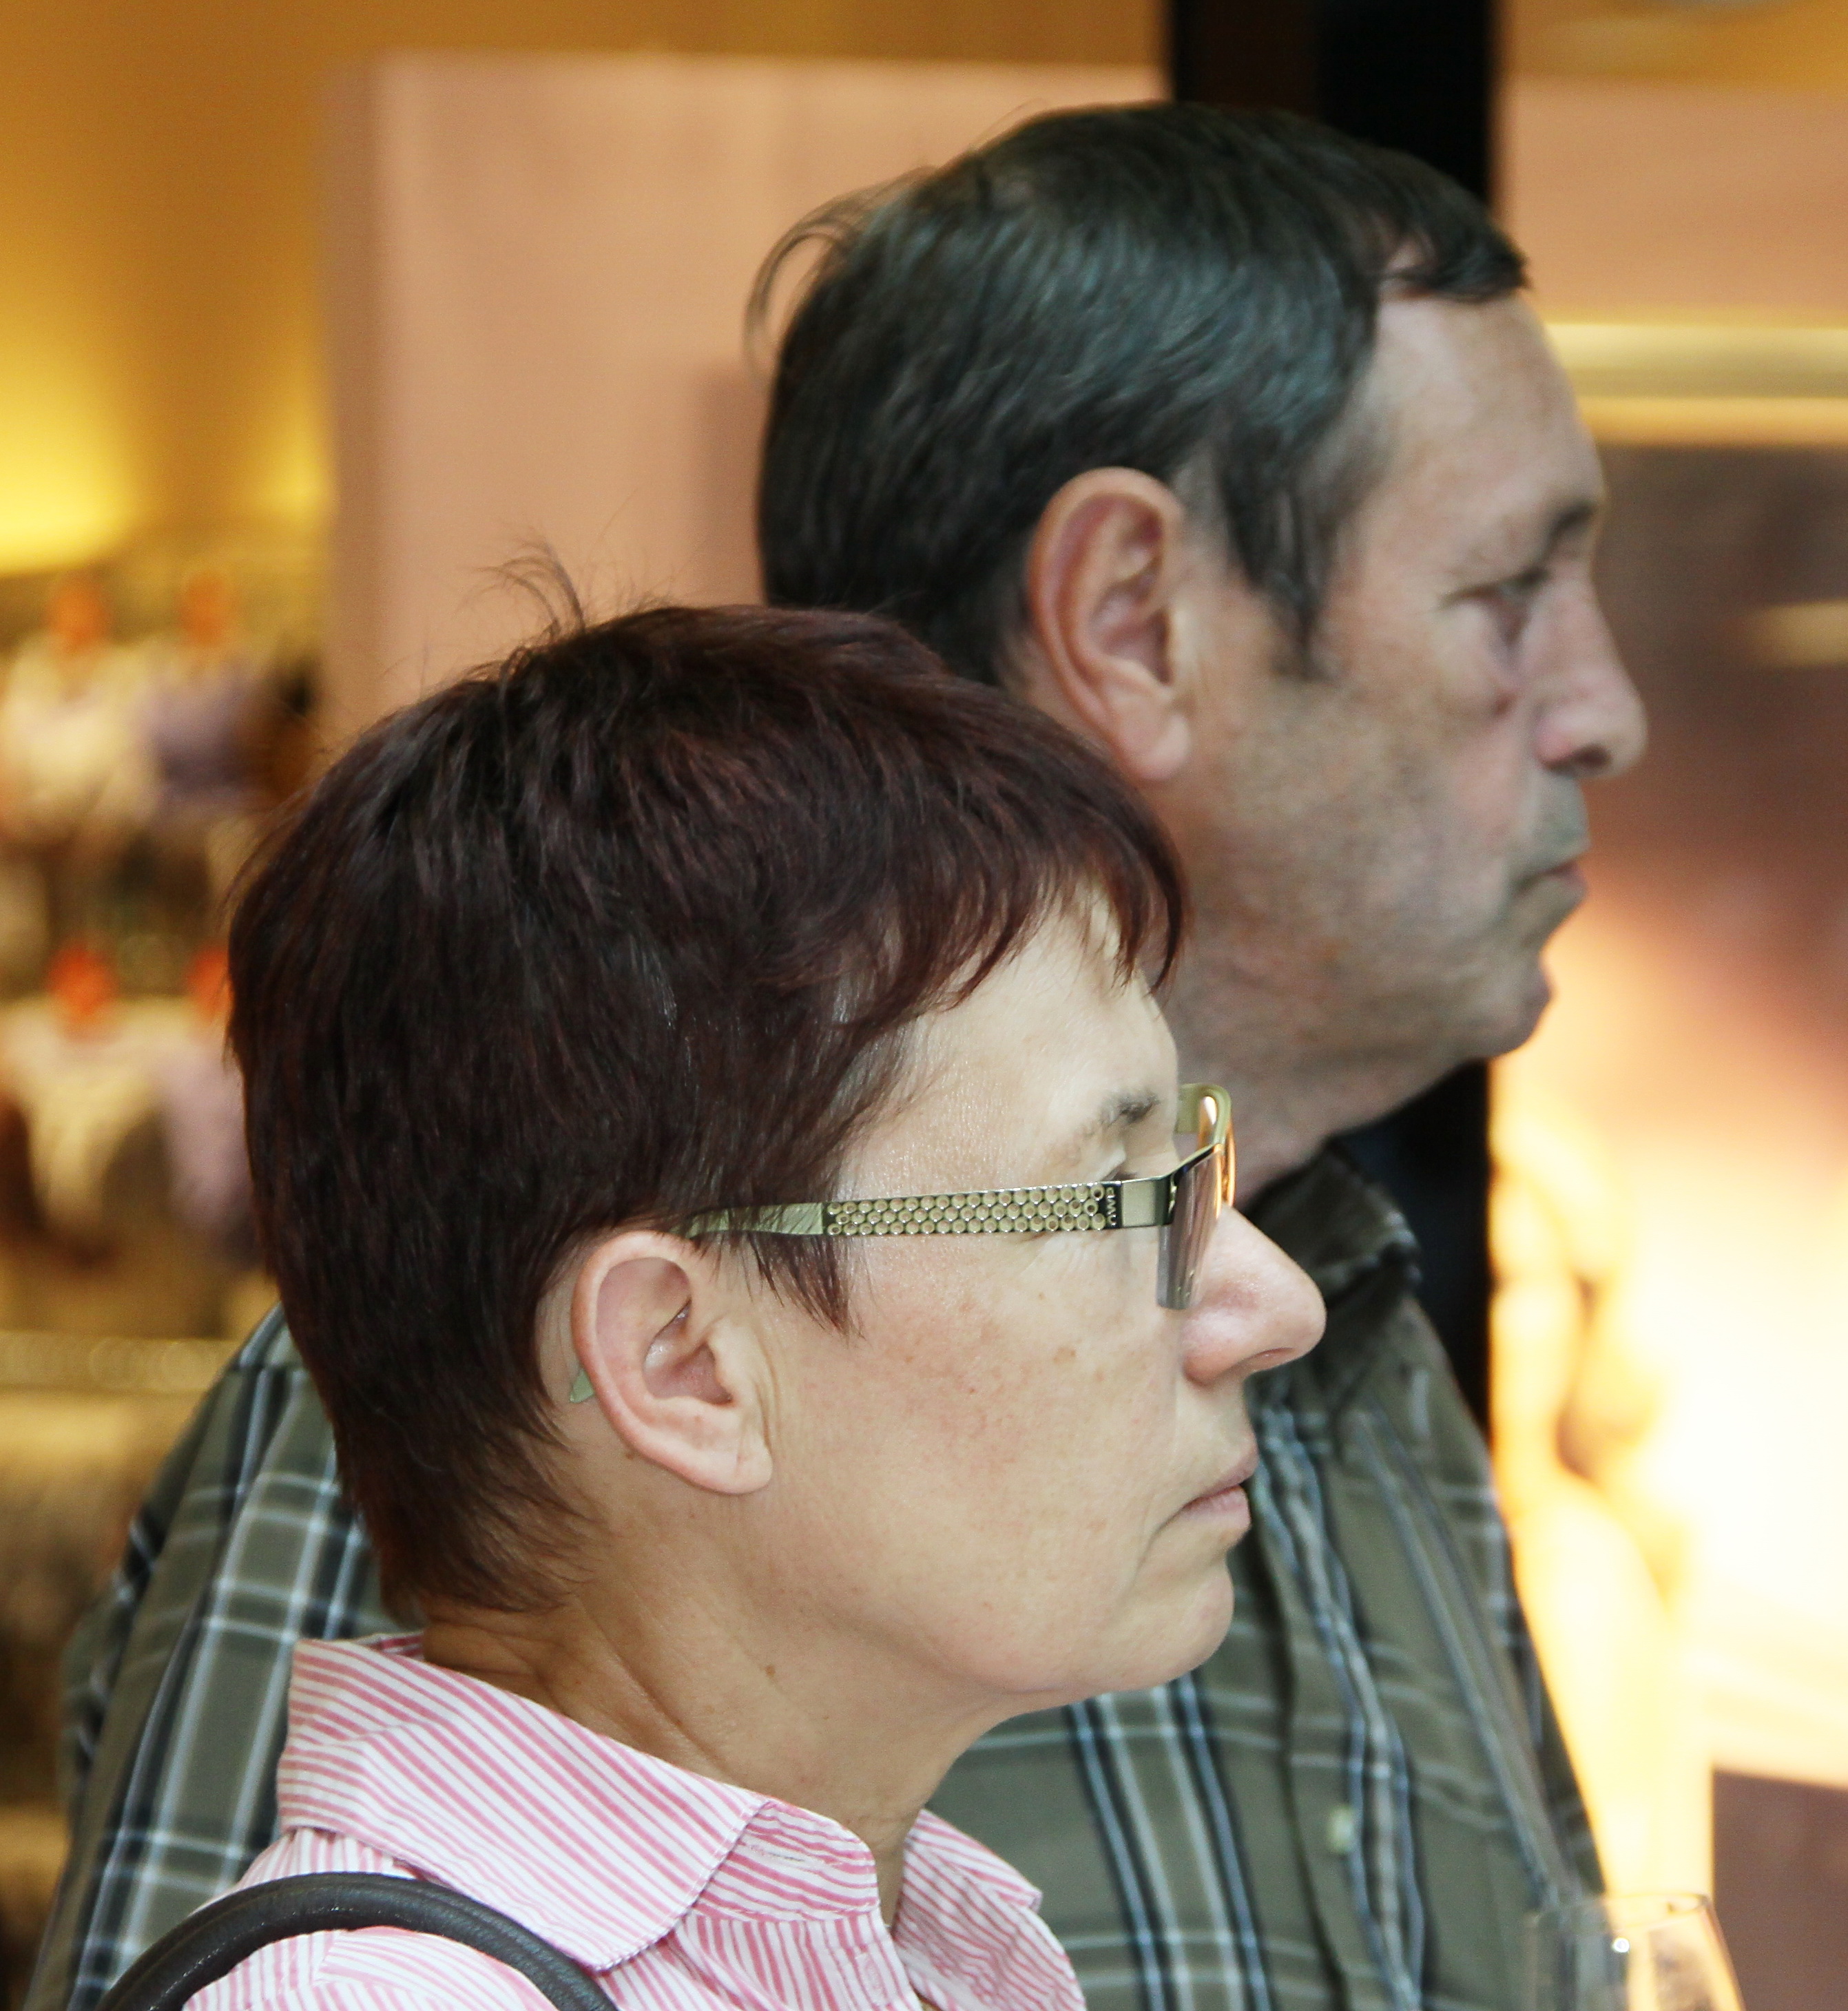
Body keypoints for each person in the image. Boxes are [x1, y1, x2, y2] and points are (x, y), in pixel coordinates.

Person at [30, 105, 1647, 2011]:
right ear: (1130, 617)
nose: (1603, 709)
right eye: (1504, 592)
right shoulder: (537, 1379)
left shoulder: (1353, 1331)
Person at [171, 600, 1320, 2008]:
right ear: (684, 1363)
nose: (1275, 1302)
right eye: (1117, 1195)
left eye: (1188, 1163)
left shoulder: (922, 1951)